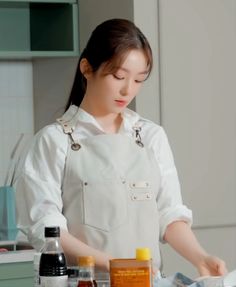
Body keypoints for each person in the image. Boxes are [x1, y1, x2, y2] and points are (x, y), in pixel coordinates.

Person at [14, 18, 227, 277]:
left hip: (146, 282)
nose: (128, 90)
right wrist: (116, 265)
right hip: (86, 282)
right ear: (87, 68)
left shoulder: (151, 136)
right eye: (118, 76)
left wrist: (201, 258)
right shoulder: (53, 141)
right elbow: (48, 231)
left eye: (139, 80)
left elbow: (169, 214)